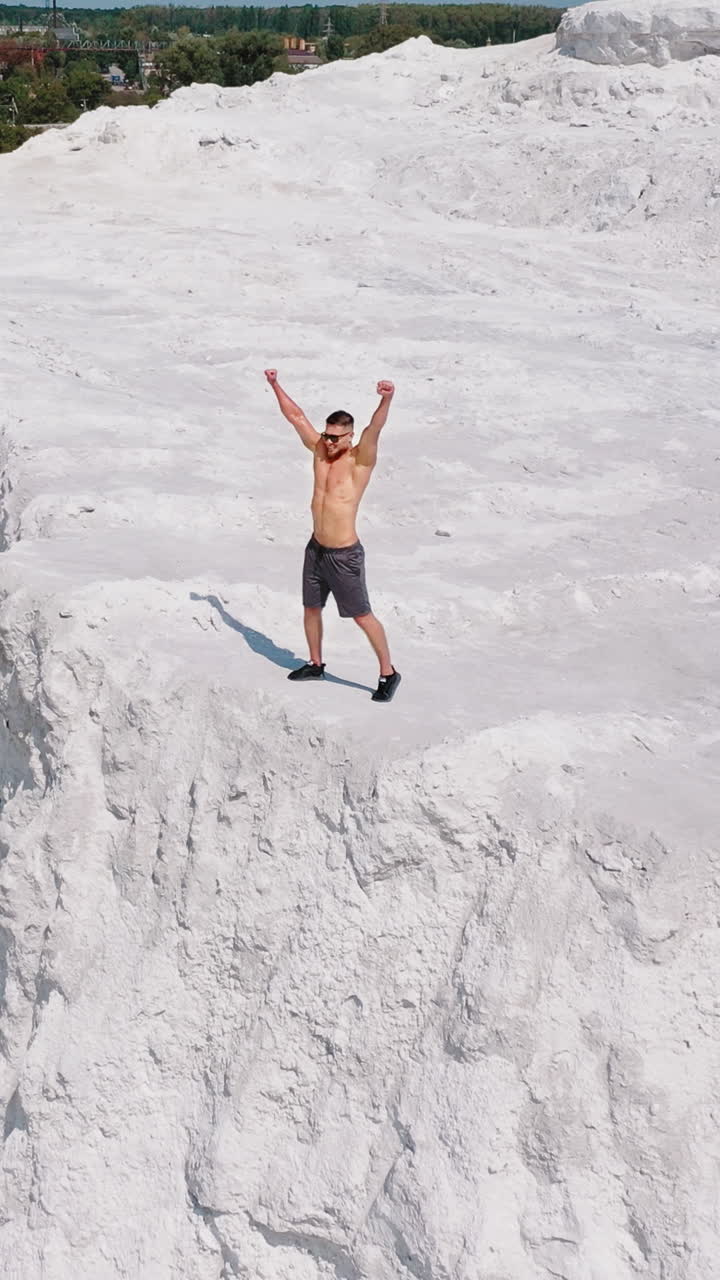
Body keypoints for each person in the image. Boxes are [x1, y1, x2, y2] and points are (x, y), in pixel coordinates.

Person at [264, 369, 401, 703]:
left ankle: (388, 672)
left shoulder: (360, 460)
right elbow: (296, 417)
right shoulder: (319, 451)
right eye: (327, 435)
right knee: (311, 608)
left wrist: (387, 399)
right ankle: (316, 664)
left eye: (336, 438)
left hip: (343, 554)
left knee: (362, 616)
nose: (329, 442)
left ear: (350, 437)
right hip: (316, 549)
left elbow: (375, 427)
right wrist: (275, 384)